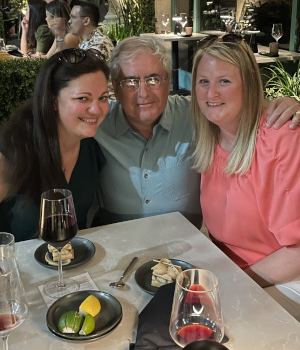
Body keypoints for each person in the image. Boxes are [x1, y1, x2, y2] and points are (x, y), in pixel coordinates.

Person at [94, 36, 300, 228]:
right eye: (130, 81)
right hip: (117, 245)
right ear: (115, 88)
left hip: (186, 249)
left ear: (168, 82)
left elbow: (236, 107)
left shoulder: (199, 113)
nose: (143, 92)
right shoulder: (97, 122)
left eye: (153, 79)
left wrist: (291, 106)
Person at [191, 40, 300, 320]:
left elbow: (297, 254)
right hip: (226, 270)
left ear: (249, 85)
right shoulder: (211, 137)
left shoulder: (280, 137)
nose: (211, 92)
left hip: (283, 279)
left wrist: (232, 283)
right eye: (203, 81)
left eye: (224, 81)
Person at [0, 48, 110, 241]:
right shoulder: (13, 151)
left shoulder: (93, 148)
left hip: (75, 264)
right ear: (53, 102)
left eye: (103, 97)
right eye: (82, 98)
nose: (96, 109)